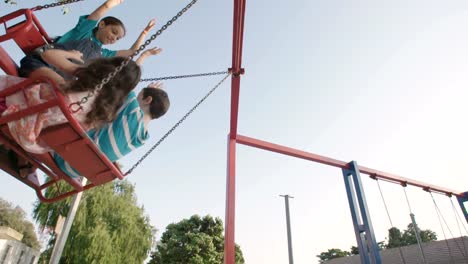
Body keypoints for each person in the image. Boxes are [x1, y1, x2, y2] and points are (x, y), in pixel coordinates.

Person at [0, 56, 141, 175]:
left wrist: (69, 61)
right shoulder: (100, 112)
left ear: (106, 67)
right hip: (38, 140)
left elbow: (47, 57)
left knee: (34, 77)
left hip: (23, 120)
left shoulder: (79, 90)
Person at [19, 0, 156, 85]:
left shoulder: (104, 53)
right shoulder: (85, 31)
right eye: (114, 32)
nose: (114, 38)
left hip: (56, 81)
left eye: (117, 38)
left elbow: (132, 52)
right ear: (102, 24)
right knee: (64, 87)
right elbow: (100, 12)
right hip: (40, 63)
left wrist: (144, 34)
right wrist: (111, 3)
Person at [53, 81, 170, 179]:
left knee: (61, 103)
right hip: (76, 172)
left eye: (139, 96)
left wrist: (148, 89)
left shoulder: (133, 112)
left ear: (147, 100)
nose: (135, 98)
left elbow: (126, 84)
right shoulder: (142, 138)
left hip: (63, 156)